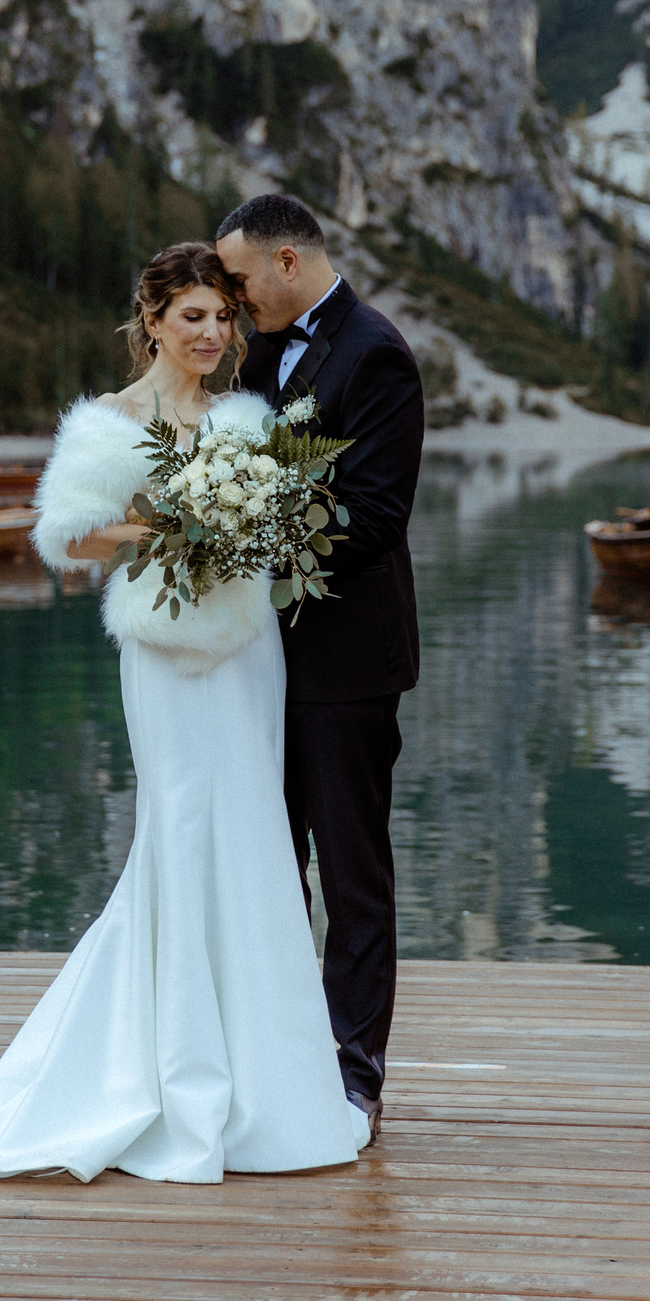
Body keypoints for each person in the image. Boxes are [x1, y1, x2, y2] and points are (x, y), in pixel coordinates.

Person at [0, 242, 367, 1183]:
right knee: (180, 831)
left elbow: (277, 528)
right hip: (165, 657)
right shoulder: (110, 422)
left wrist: (249, 523)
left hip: (246, 655)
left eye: (224, 317)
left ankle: (274, 1085)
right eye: (193, 316)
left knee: (257, 833)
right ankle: (176, 1078)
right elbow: (65, 535)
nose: (214, 334)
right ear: (151, 323)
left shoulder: (244, 416)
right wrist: (174, 521)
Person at [212, 194, 424, 1145]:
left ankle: (353, 1076)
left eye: (241, 278)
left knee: (351, 873)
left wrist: (256, 523)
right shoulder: (256, 352)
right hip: (257, 660)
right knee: (267, 865)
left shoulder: (376, 353)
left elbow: (376, 516)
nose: (232, 296)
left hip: (346, 664)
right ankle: (276, 1053)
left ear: (287, 261)